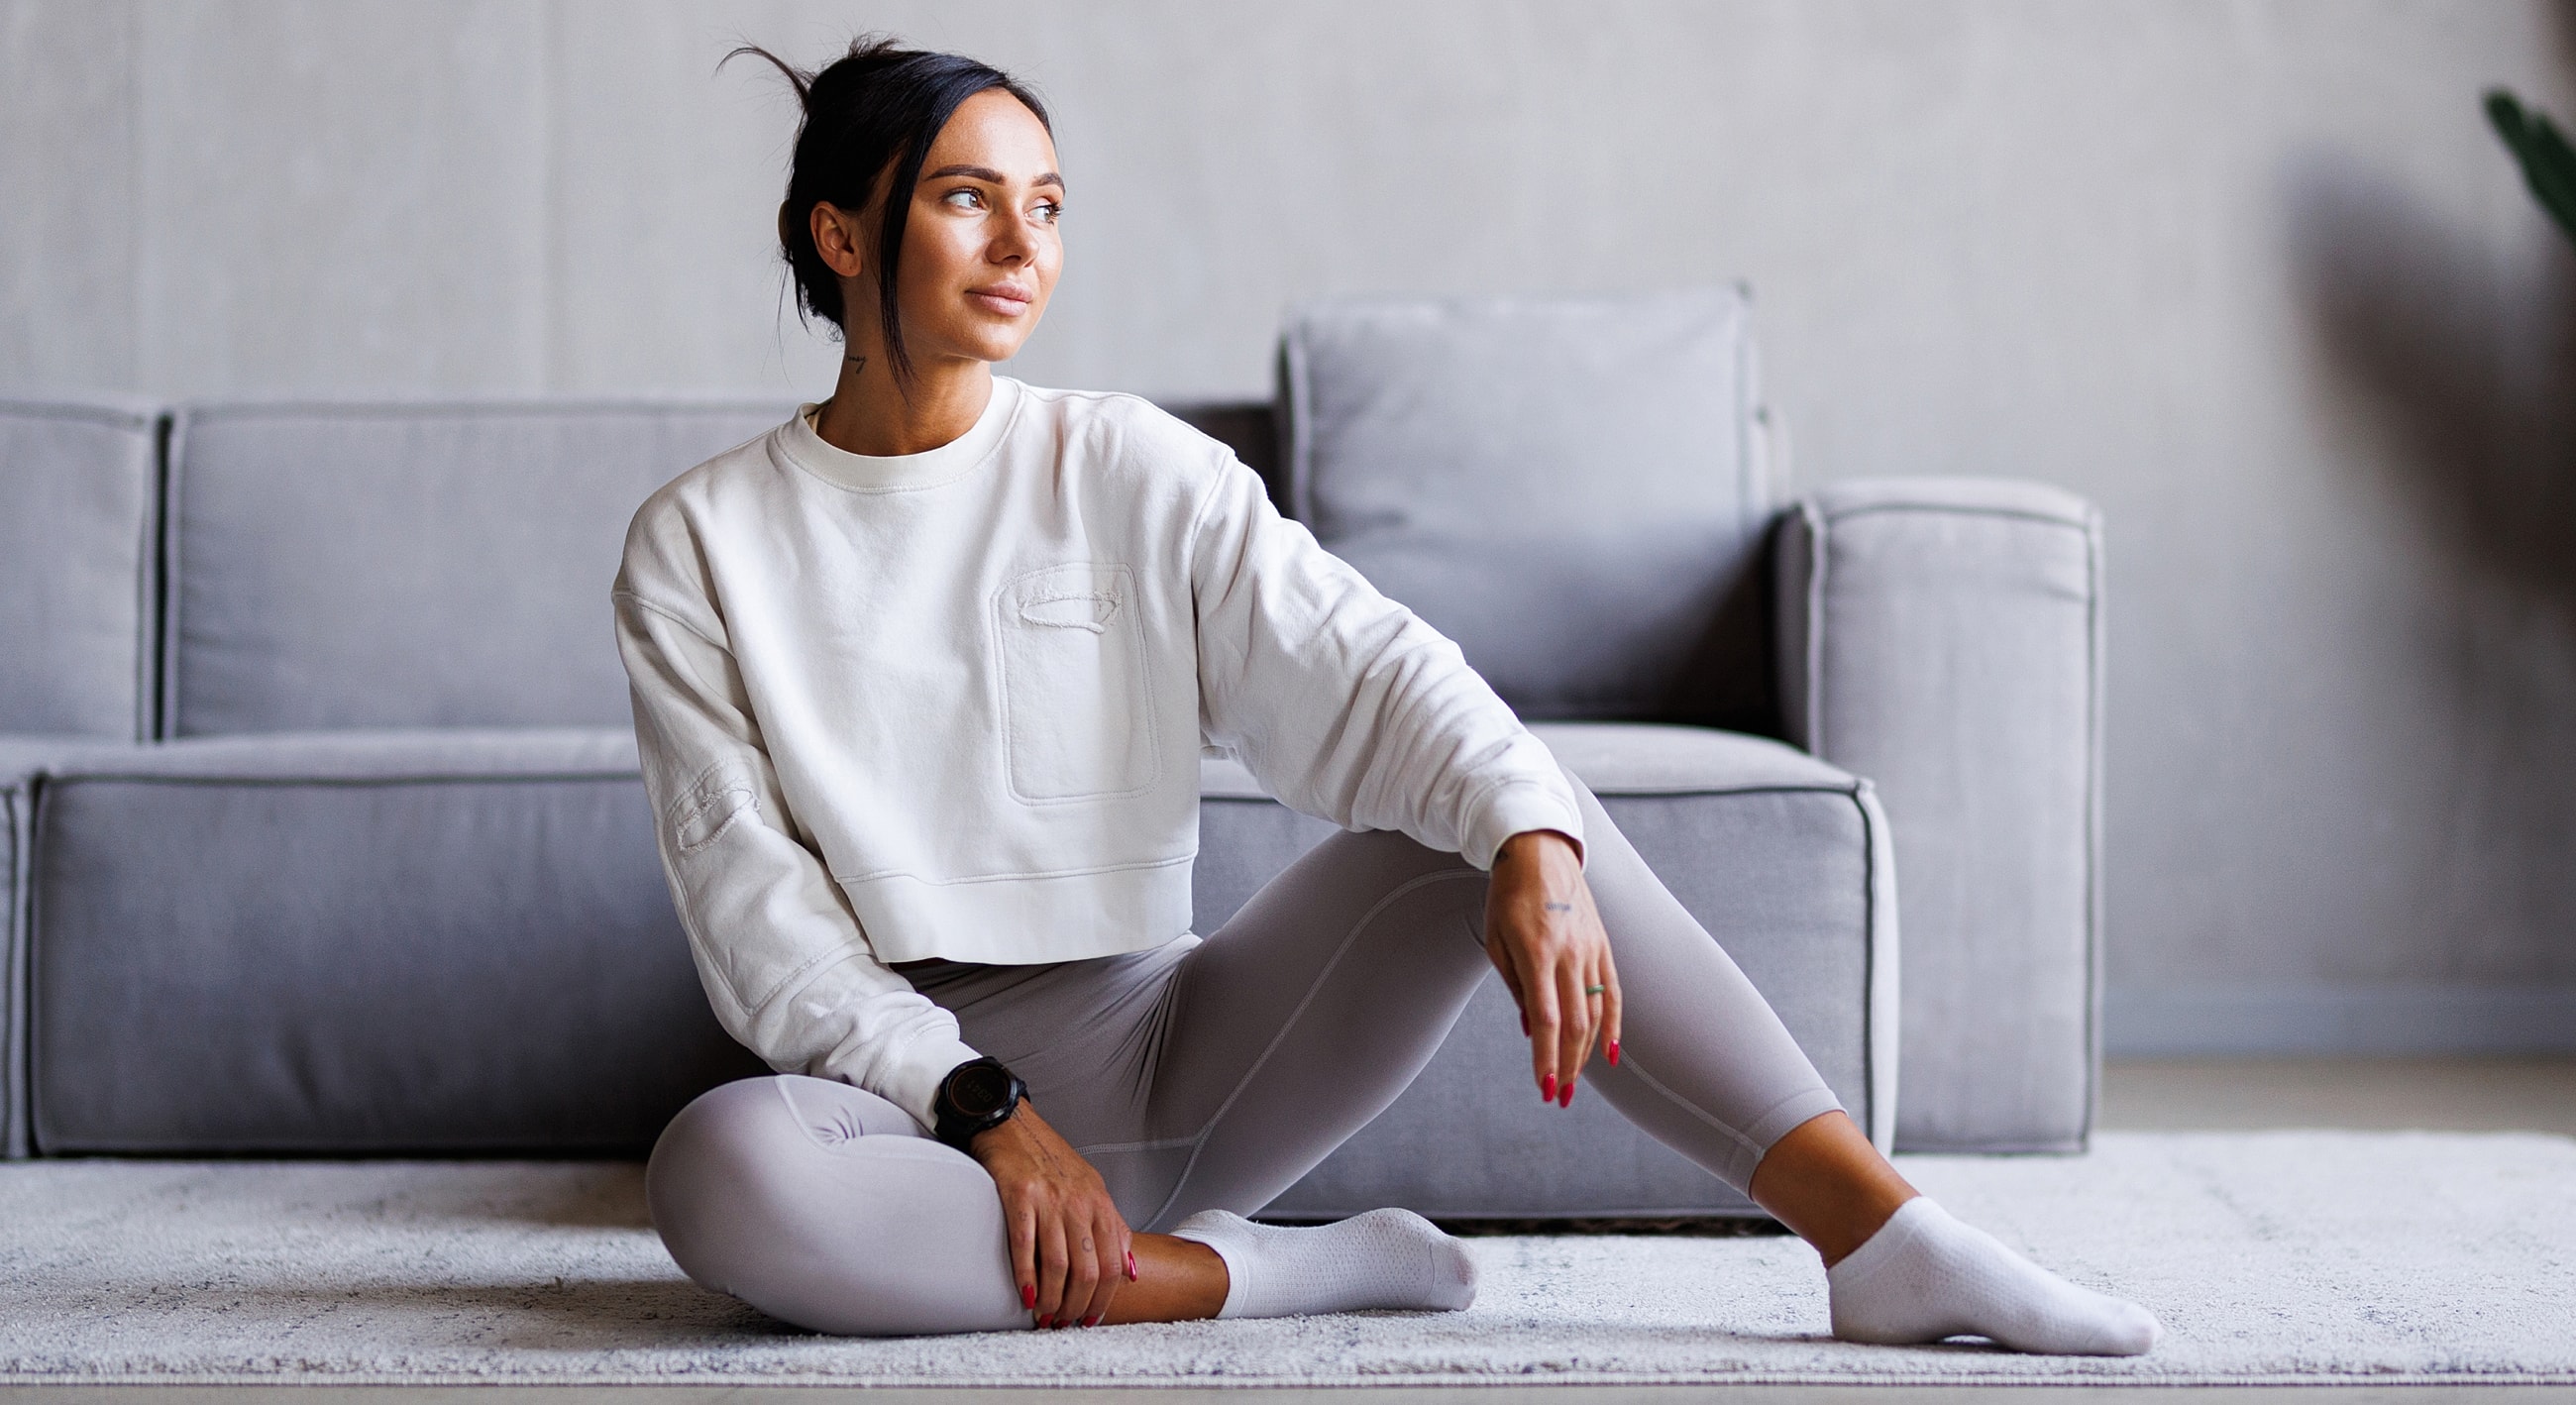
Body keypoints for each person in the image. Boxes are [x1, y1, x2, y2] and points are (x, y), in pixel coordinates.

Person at [613, 36, 2160, 1353]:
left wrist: (1532, 852)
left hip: (1178, 1057)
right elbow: (763, 927)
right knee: (720, 1172)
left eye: (1050, 205)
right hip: (911, 1120)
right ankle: (1265, 1274)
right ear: (839, 233)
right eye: (967, 199)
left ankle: (1881, 1237)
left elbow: (1366, 670)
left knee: (1505, 805)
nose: (1025, 245)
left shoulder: (1129, 466)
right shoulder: (699, 544)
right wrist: (985, 1110)